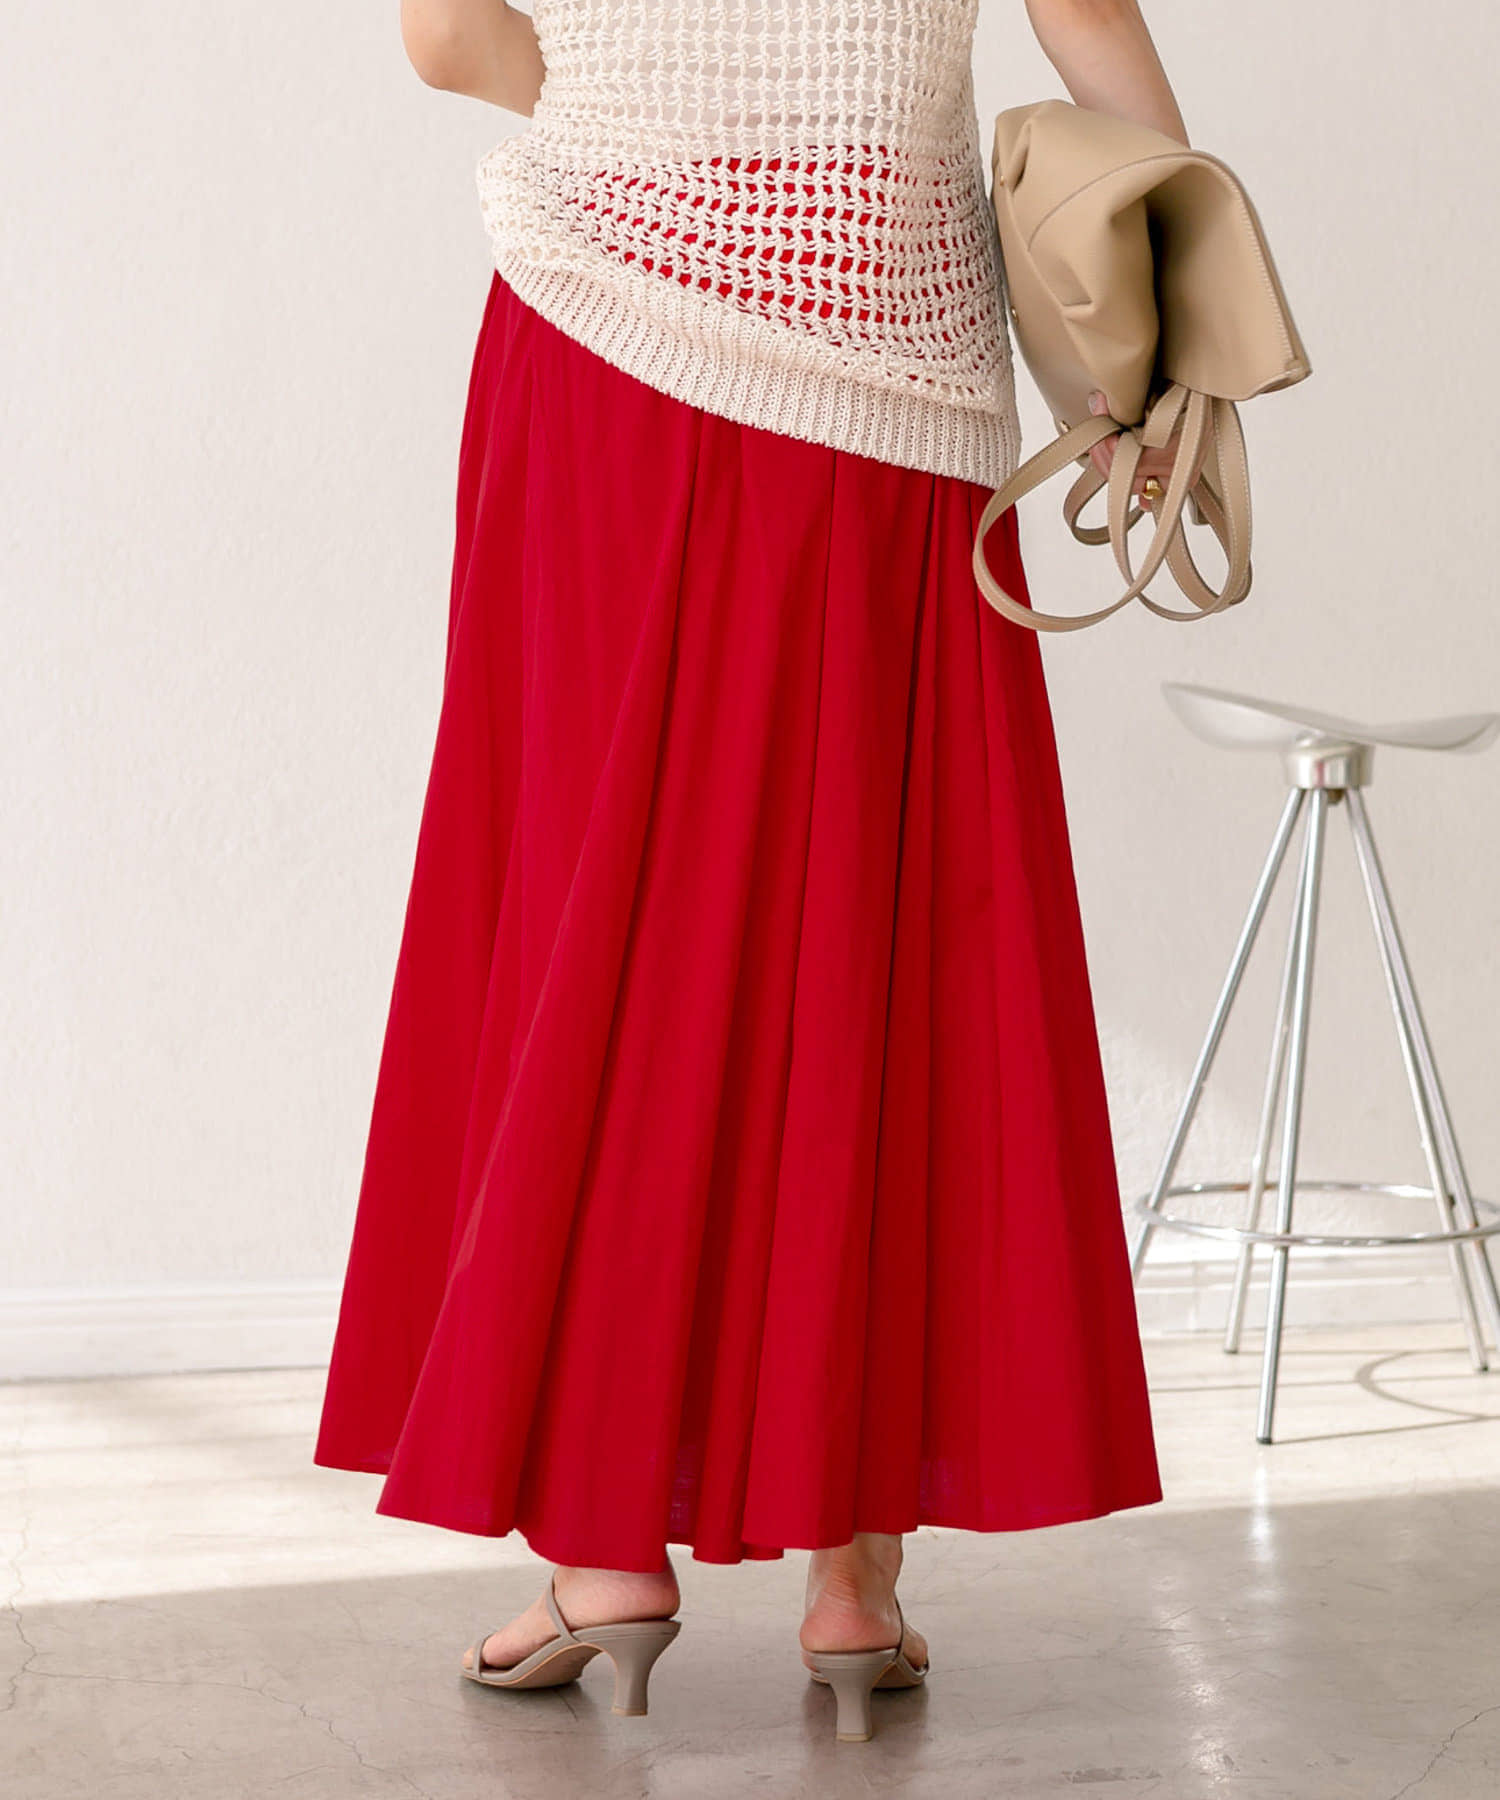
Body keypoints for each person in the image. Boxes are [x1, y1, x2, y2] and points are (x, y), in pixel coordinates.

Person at [314, 0, 1187, 1743]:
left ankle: (604, 1556)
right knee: (882, 923)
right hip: (893, 348)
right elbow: (1085, 20)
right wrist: (1154, 339)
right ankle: (853, 1580)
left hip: (609, 330)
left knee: (595, 912)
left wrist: (641, 89)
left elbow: (444, 40)